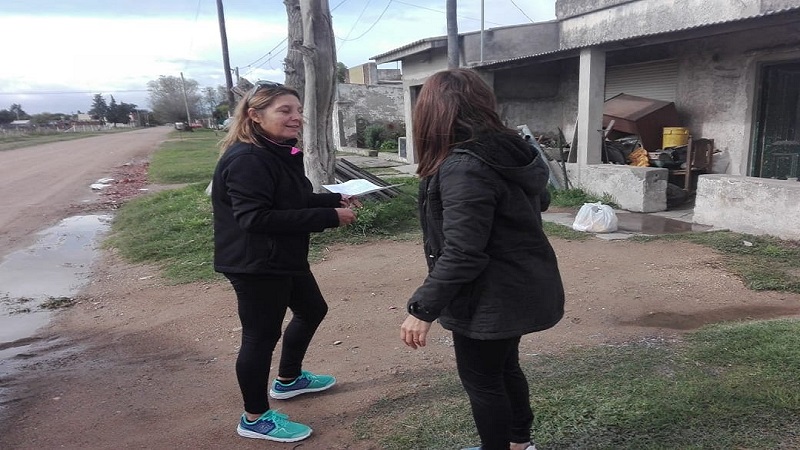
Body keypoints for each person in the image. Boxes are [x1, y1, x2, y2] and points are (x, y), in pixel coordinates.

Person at [400, 69, 565, 450]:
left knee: (484, 380)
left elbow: (463, 251)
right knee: (504, 368)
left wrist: (422, 309)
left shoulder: (464, 165)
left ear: (434, 112)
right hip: (519, 286)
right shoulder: (510, 149)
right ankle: (519, 444)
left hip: (491, 296)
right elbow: (539, 200)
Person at [212, 80, 361, 443]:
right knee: (260, 337)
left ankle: (290, 379)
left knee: (312, 309)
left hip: (283, 256)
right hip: (256, 263)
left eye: (297, 110)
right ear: (255, 116)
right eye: (285, 110)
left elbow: (291, 199)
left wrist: (332, 200)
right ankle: (255, 417)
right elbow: (255, 219)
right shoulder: (248, 158)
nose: (296, 117)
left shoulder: (278, 151)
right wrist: (329, 218)